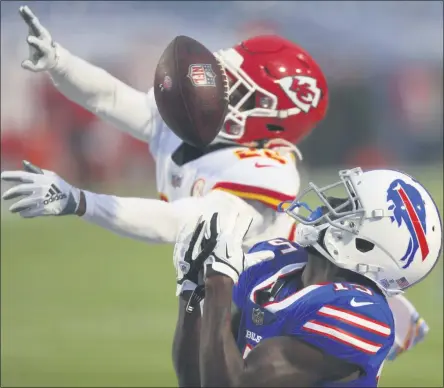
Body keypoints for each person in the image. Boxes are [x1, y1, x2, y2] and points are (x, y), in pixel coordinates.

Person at [1, 5, 427, 361]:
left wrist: (80, 201)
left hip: (278, 287)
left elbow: (176, 222)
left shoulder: (265, 171)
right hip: (230, 278)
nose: (216, 85)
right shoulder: (201, 126)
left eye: (234, 87)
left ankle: (391, 322)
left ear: (269, 114)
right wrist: (59, 62)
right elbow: (112, 99)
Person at [172, 167, 443, 387]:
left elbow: (235, 383)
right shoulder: (278, 264)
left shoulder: (364, 315)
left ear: (369, 244)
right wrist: (192, 288)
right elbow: (197, 377)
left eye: (350, 206)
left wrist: (219, 281)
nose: (332, 204)